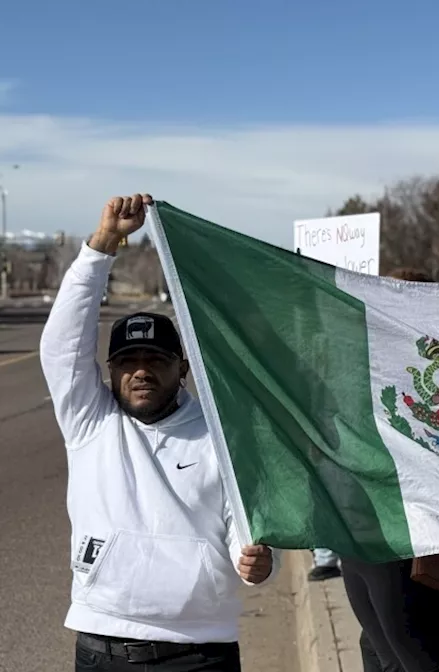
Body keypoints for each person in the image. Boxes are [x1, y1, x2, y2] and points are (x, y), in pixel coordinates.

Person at [42, 194, 274, 671]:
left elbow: (242, 526)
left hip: (201, 651)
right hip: (102, 643)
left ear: (183, 369)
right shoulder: (91, 421)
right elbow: (62, 347)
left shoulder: (221, 434)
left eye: (156, 361)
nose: (141, 372)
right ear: (109, 371)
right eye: (128, 362)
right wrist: (103, 244)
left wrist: (255, 563)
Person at [343, 266, 439, 672]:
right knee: (377, 653)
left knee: (421, 662)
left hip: (409, 538)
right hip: (358, 535)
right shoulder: (365, 362)